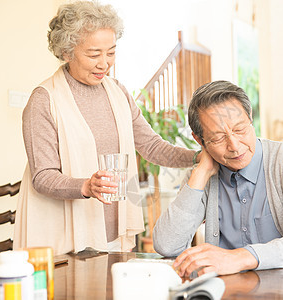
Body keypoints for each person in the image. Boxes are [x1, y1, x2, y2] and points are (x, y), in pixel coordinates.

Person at [14, 1, 198, 255]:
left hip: (115, 234)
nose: (104, 63)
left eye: (111, 52)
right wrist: (86, 186)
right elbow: (43, 176)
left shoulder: (118, 92)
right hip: (63, 239)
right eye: (93, 54)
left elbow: (153, 147)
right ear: (66, 52)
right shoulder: (44, 99)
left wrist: (198, 157)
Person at [153, 80, 283, 276]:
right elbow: (166, 246)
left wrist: (238, 258)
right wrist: (201, 173)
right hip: (229, 290)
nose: (235, 146)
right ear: (199, 140)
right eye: (218, 138)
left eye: (240, 129)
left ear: (250, 119)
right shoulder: (203, 174)